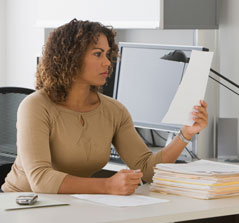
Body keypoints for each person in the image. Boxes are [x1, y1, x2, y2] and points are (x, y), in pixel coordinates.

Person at [1, 19, 208, 195]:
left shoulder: (114, 111)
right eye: (98, 54)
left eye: (108, 54)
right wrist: (108, 185)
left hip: (70, 205)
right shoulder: (36, 106)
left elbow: (146, 169)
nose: (108, 63)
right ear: (71, 57)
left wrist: (185, 134)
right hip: (20, 207)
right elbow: (41, 180)